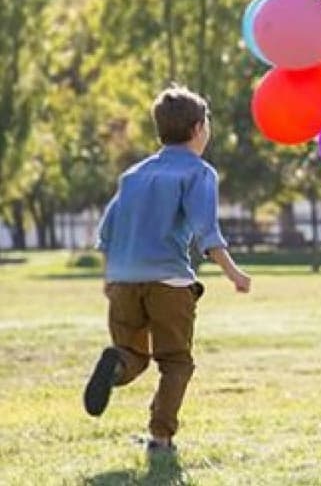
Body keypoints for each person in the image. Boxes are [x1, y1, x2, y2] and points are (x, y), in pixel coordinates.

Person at [83, 86, 251, 457]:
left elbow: (106, 233)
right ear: (197, 129)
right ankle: (161, 439)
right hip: (169, 281)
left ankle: (116, 366)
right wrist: (234, 274)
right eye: (207, 124)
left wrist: (110, 280)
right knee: (175, 361)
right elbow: (207, 231)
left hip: (123, 281)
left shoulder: (134, 175)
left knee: (132, 354)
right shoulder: (198, 172)